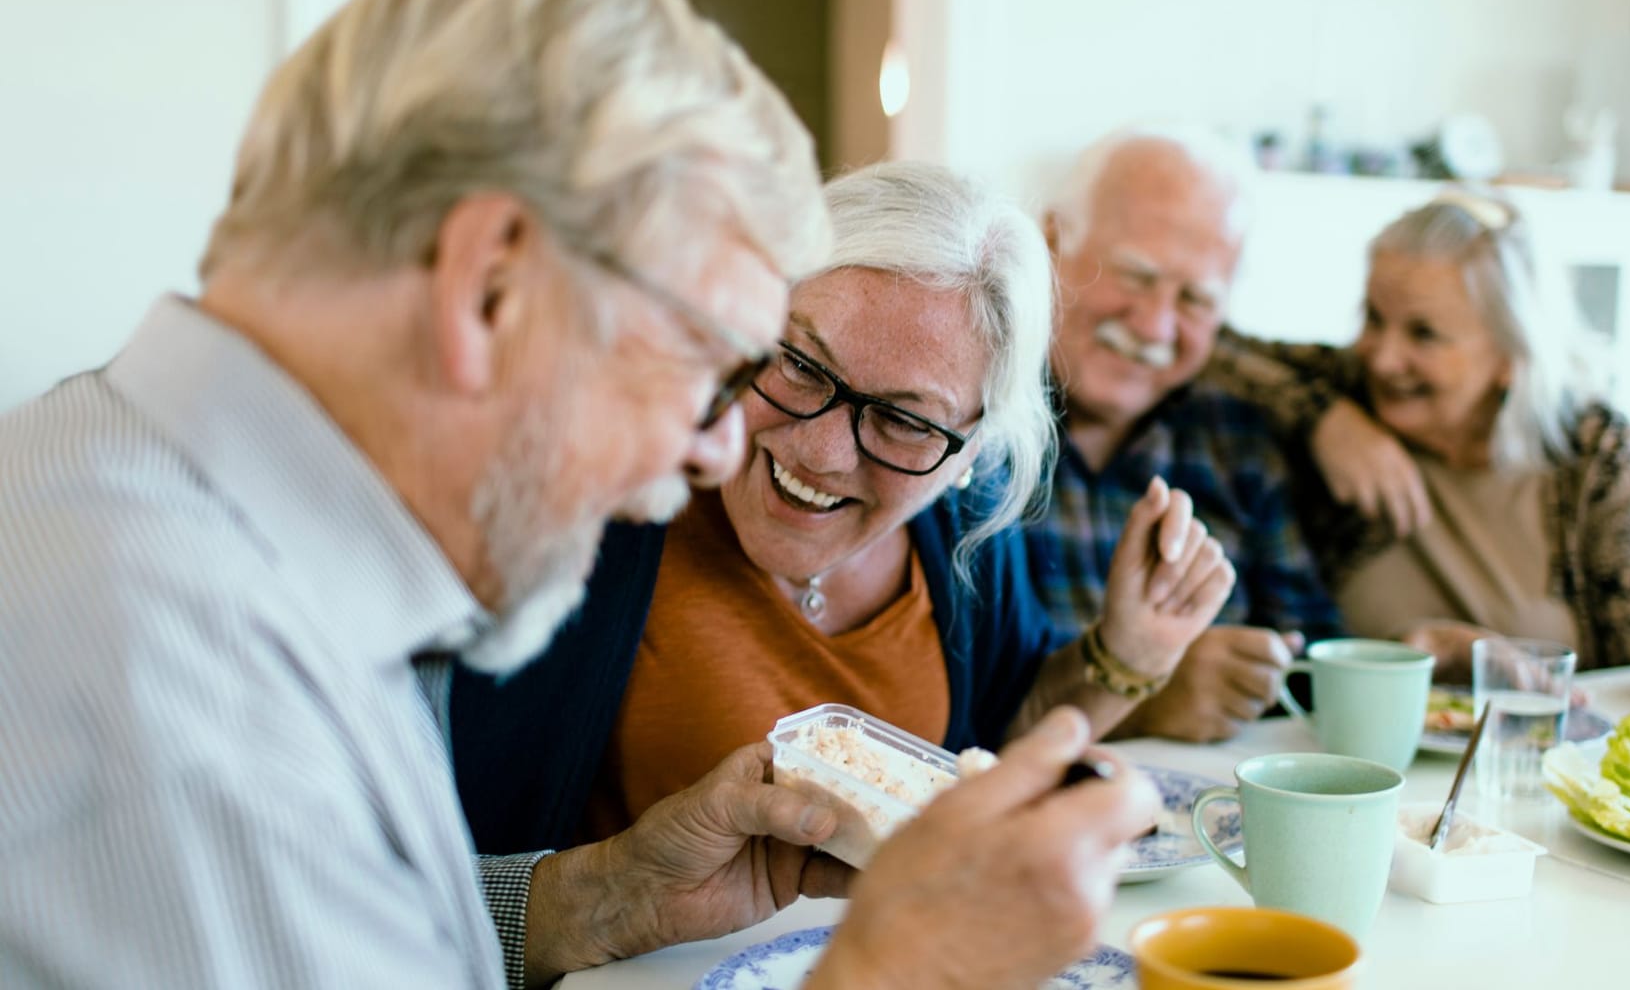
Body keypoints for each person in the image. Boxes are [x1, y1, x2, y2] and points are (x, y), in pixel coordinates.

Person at [0, 0, 1154, 989]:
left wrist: (601, 899)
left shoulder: (151, 491)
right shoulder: (183, 671)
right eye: (704, 357)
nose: (711, 452)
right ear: (491, 286)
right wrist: (899, 969)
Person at [451, 161, 1234, 845]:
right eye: (798, 362)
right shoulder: (608, 499)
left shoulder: (964, 518)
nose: (822, 451)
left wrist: (1128, 654)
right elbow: (431, 873)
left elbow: (991, 755)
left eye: (903, 420)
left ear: (972, 446)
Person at [1206, 188, 1630, 681]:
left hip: (1534, 752)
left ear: (1510, 357)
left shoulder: (1593, 449)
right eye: (1373, 319)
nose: (1383, 359)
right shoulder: (1344, 391)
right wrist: (1325, 418)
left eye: (1423, 334)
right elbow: (1201, 343)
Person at [1027, 127, 1345, 742]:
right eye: (1136, 275)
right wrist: (1143, 698)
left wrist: (1410, 664)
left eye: (1197, 298)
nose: (1155, 325)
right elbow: (944, 710)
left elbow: (1313, 665)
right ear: (1049, 242)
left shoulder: (1236, 441)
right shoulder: (964, 427)